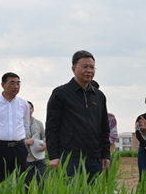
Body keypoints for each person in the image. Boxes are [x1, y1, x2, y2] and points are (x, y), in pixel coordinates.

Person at [46, 50, 110, 182]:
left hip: (94, 157)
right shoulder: (61, 93)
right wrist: (53, 156)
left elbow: (104, 127)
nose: (89, 71)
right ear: (73, 69)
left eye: (92, 67)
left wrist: (105, 154)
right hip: (69, 157)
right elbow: (52, 127)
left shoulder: (99, 96)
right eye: (85, 67)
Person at [0, 72, 30, 186]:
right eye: (12, 83)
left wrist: (19, 139)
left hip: (18, 148)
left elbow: (25, 126)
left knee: (21, 182)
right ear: (3, 85)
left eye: (18, 84)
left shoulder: (23, 104)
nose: (16, 86)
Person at [25, 101, 47, 185]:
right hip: (26, 159)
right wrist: (26, 142)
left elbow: (44, 137)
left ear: (32, 110)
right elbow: (15, 140)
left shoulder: (39, 123)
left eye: (29, 108)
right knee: (25, 186)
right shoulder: (19, 124)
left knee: (42, 183)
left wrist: (45, 144)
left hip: (40, 159)